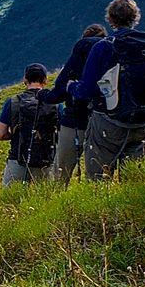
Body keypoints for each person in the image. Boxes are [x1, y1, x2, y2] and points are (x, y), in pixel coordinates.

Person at [75, 0, 145, 181]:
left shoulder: (103, 47)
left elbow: (87, 90)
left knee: (99, 179)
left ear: (110, 19)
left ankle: (101, 208)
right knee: (137, 180)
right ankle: (135, 209)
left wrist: (72, 87)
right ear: (136, 17)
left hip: (109, 121)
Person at [46, 22, 106, 184]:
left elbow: (59, 92)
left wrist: (43, 95)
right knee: (100, 173)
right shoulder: (112, 54)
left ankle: (55, 204)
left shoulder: (79, 54)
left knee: (60, 172)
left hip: (74, 121)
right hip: (104, 121)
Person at [0, 63, 59, 185]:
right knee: (46, 201)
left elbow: (0, 134)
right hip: (46, 162)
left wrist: (16, 134)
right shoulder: (55, 104)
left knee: (10, 201)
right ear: (45, 80)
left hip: (17, 160)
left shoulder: (13, 102)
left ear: (25, 79)